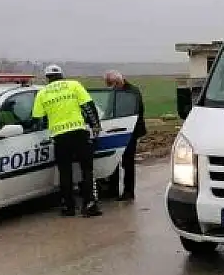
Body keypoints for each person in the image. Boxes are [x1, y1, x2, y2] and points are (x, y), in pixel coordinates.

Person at [32, 64, 103, 217]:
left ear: (47, 78)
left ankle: (68, 207)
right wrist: (95, 125)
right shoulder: (74, 85)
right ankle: (89, 205)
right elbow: (88, 106)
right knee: (87, 169)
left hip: (59, 136)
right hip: (79, 133)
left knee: (65, 172)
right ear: (61, 75)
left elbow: (37, 119)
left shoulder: (42, 93)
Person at [103, 70, 146, 201]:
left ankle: (128, 191)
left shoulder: (133, 92)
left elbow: (137, 110)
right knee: (113, 160)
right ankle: (113, 189)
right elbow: (109, 108)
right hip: (114, 130)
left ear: (118, 82)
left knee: (128, 162)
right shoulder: (114, 92)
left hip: (130, 131)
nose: (112, 87)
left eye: (112, 84)